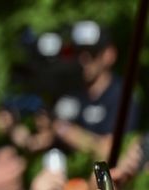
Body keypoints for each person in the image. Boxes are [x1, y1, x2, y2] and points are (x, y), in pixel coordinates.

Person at [51, 20, 139, 159]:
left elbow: (111, 152)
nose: (83, 60)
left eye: (91, 53)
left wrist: (64, 129)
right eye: (78, 52)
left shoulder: (123, 96)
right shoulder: (68, 92)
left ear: (109, 55)